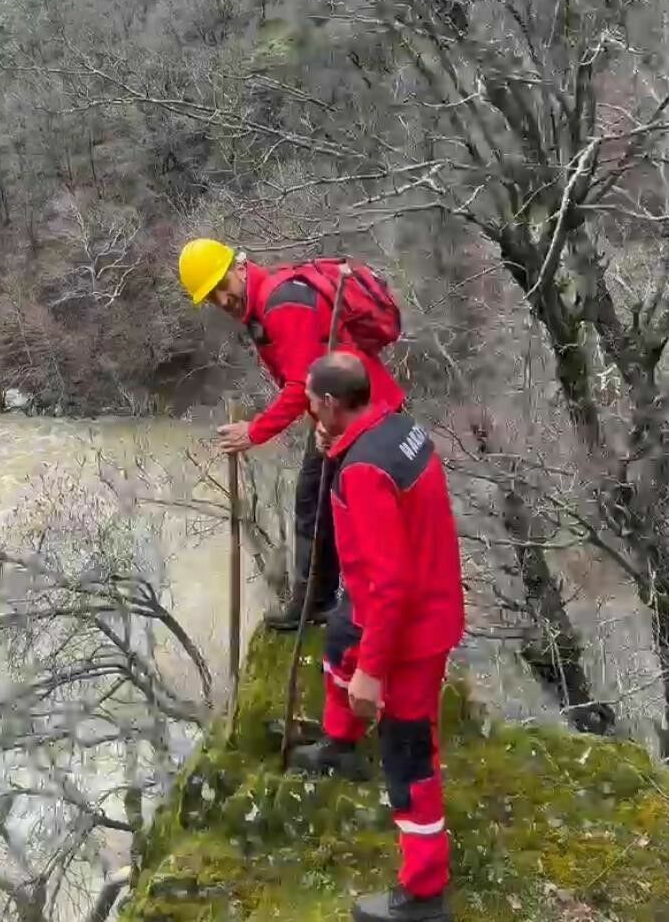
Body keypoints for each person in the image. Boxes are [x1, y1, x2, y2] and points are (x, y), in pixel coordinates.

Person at [291, 352, 464, 922]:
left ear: (333, 404)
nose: (308, 408)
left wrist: (373, 669)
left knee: (409, 756)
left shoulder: (365, 472)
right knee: (337, 641)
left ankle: (424, 891)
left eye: (314, 401)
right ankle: (341, 744)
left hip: (408, 629)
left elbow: (392, 584)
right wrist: (332, 446)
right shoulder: (397, 426)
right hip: (390, 602)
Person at [178, 239, 406, 630]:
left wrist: (254, 431)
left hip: (364, 416)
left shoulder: (281, 303)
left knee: (330, 506)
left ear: (240, 267)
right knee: (322, 502)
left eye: (222, 284)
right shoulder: (271, 299)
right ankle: (323, 603)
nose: (222, 299)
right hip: (351, 412)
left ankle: (339, 609)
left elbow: (300, 383)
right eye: (211, 296)